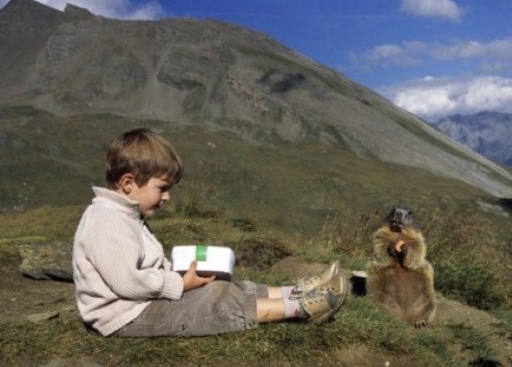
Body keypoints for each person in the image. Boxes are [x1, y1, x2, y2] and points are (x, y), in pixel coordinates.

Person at [72, 128, 347, 337]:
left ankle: (294, 292)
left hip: (140, 303)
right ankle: (302, 309)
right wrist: (178, 285)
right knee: (214, 304)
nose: (167, 198)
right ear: (129, 182)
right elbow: (128, 283)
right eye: (162, 188)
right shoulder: (107, 220)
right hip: (125, 315)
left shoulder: (127, 215)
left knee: (221, 287)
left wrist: (180, 276)